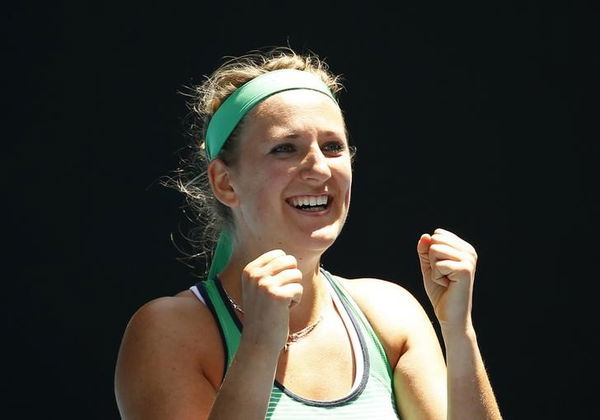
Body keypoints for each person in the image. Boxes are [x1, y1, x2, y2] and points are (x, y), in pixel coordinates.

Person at [114, 47, 502, 419]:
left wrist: (458, 332)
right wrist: (259, 345)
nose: (319, 169)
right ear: (224, 181)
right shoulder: (168, 332)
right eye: (285, 148)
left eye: (333, 146)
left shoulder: (391, 314)